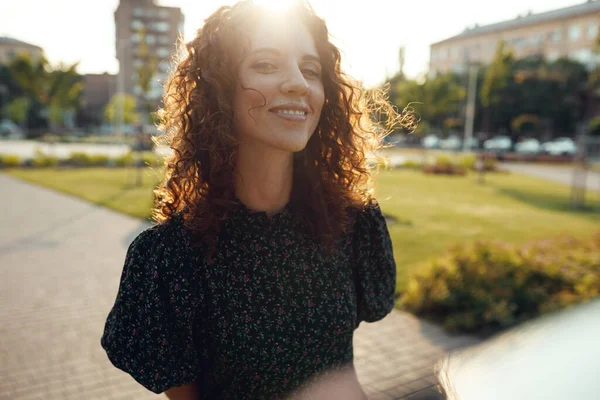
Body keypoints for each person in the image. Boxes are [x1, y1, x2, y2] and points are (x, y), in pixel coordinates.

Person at [101, 1, 414, 399]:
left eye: (311, 69)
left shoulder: (353, 224)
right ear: (220, 89)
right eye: (266, 65)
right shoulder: (170, 258)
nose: (298, 82)